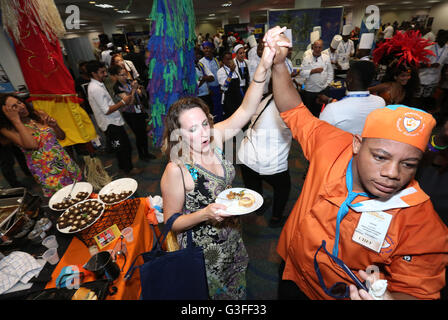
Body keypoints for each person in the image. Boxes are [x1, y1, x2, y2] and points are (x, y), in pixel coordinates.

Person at [265, 27, 448, 300]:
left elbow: (419, 289)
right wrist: (279, 64)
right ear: (357, 144)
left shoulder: (419, 219)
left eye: (408, 164)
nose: (391, 173)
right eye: (380, 157)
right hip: (293, 274)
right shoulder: (332, 145)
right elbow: (293, 109)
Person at [160, 26, 287, 300]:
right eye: (192, 130)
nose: (202, 133)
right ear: (179, 134)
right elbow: (172, 222)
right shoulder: (176, 169)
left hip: (231, 235)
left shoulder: (216, 138)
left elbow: (246, 108)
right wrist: (206, 213)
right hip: (203, 251)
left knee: (237, 288)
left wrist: (264, 61)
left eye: (204, 124)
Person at [0, 94, 81, 197]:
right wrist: (16, 121)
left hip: (64, 161)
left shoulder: (38, 114)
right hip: (47, 170)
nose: (21, 106)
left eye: (19, 102)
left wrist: (55, 126)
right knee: (65, 200)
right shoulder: (8, 129)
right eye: (14, 107)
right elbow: (32, 145)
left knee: (80, 192)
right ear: (6, 113)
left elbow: (61, 136)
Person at [237, 88, 292, 228]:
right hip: (271, 161)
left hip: (246, 155)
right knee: (283, 187)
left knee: (253, 183)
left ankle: (258, 207)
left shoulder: (265, 99)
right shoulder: (289, 106)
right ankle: (276, 218)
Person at [86, 60, 141, 176]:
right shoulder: (95, 88)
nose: (105, 74)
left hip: (112, 121)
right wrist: (122, 102)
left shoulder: (98, 85)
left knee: (120, 147)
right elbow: (106, 110)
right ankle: (128, 169)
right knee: (123, 148)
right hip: (110, 123)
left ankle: (123, 167)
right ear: (93, 73)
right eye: (102, 72)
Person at [319, 60, 386, 135]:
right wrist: (330, 101)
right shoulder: (380, 102)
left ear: (350, 79)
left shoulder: (332, 110)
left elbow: (320, 135)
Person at [109, 65, 156, 162]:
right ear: (116, 76)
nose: (125, 77)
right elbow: (129, 102)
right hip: (130, 114)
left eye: (125, 74)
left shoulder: (129, 82)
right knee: (138, 134)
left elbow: (141, 95)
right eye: (122, 75)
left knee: (143, 132)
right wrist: (134, 89)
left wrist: (140, 89)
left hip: (139, 111)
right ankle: (141, 155)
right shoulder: (117, 88)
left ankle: (146, 153)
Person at [299, 39, 334, 117]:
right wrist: (313, 71)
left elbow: (330, 73)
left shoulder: (326, 58)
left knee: (322, 113)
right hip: (309, 91)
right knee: (309, 113)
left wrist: (327, 84)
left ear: (322, 48)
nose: (318, 49)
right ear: (312, 47)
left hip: (323, 90)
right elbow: (302, 73)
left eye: (320, 47)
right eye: (316, 47)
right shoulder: (306, 58)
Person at [416, 30, 448, 111]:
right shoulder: (428, 48)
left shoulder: (447, 50)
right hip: (422, 78)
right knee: (418, 99)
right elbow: (418, 64)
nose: (444, 40)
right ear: (438, 37)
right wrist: (430, 65)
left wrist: (442, 78)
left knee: (427, 99)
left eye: (446, 38)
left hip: (434, 79)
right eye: (442, 37)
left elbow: (445, 65)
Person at [199, 42, 223, 121]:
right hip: (209, 89)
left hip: (217, 87)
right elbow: (203, 77)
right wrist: (208, 88)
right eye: (205, 48)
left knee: (219, 106)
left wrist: (220, 86)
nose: (207, 50)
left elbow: (219, 73)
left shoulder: (216, 60)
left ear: (212, 49)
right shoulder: (201, 62)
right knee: (211, 108)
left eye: (208, 48)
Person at [194, 47, 215, 112]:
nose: (198, 56)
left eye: (198, 54)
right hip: (198, 96)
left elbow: (212, 77)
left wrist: (202, 78)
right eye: (195, 55)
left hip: (206, 94)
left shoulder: (201, 65)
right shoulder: (190, 68)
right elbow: (197, 86)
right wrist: (204, 78)